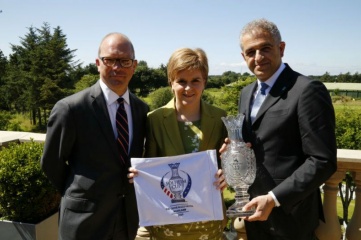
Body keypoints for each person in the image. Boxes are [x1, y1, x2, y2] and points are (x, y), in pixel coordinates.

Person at [230, 18, 337, 239]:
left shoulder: (307, 90)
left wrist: (274, 198)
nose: (258, 58)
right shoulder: (245, 93)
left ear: (281, 48)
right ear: (243, 57)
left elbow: (322, 160)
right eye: (251, 52)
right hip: (253, 212)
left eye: (265, 48)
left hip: (291, 216)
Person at [41, 33, 149, 240]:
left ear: (134, 66)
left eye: (124, 61)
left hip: (126, 220)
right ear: (98, 63)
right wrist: (81, 190)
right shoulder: (71, 109)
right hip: (84, 221)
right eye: (110, 60)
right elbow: (50, 162)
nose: (117, 67)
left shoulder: (141, 109)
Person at [129, 47, 228, 239]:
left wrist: (227, 175)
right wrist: (140, 175)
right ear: (171, 83)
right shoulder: (154, 119)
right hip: (168, 222)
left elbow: (225, 163)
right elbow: (150, 164)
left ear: (205, 82)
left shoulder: (220, 118)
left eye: (195, 81)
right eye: (181, 81)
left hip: (209, 222)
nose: (188, 88)